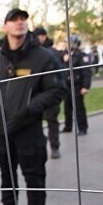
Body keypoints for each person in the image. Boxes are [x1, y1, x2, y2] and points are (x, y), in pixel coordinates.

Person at [0, 9, 65, 205]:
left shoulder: (43, 57)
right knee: (5, 169)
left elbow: (57, 89)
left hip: (29, 128)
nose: (19, 23)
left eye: (23, 19)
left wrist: (29, 108)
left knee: (34, 174)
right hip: (1, 128)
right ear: (5, 26)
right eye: (14, 20)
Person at [32, 27, 64, 159]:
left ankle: (54, 147)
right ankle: (37, 150)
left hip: (50, 93)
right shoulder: (32, 53)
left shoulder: (52, 53)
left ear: (43, 36)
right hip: (36, 95)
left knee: (52, 121)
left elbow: (60, 73)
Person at [61, 35, 92, 135]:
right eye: (66, 42)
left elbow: (86, 72)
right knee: (67, 107)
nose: (67, 44)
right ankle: (68, 126)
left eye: (69, 42)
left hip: (77, 85)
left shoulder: (81, 56)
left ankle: (82, 128)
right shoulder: (64, 55)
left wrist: (85, 86)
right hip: (66, 85)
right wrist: (64, 59)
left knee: (79, 108)